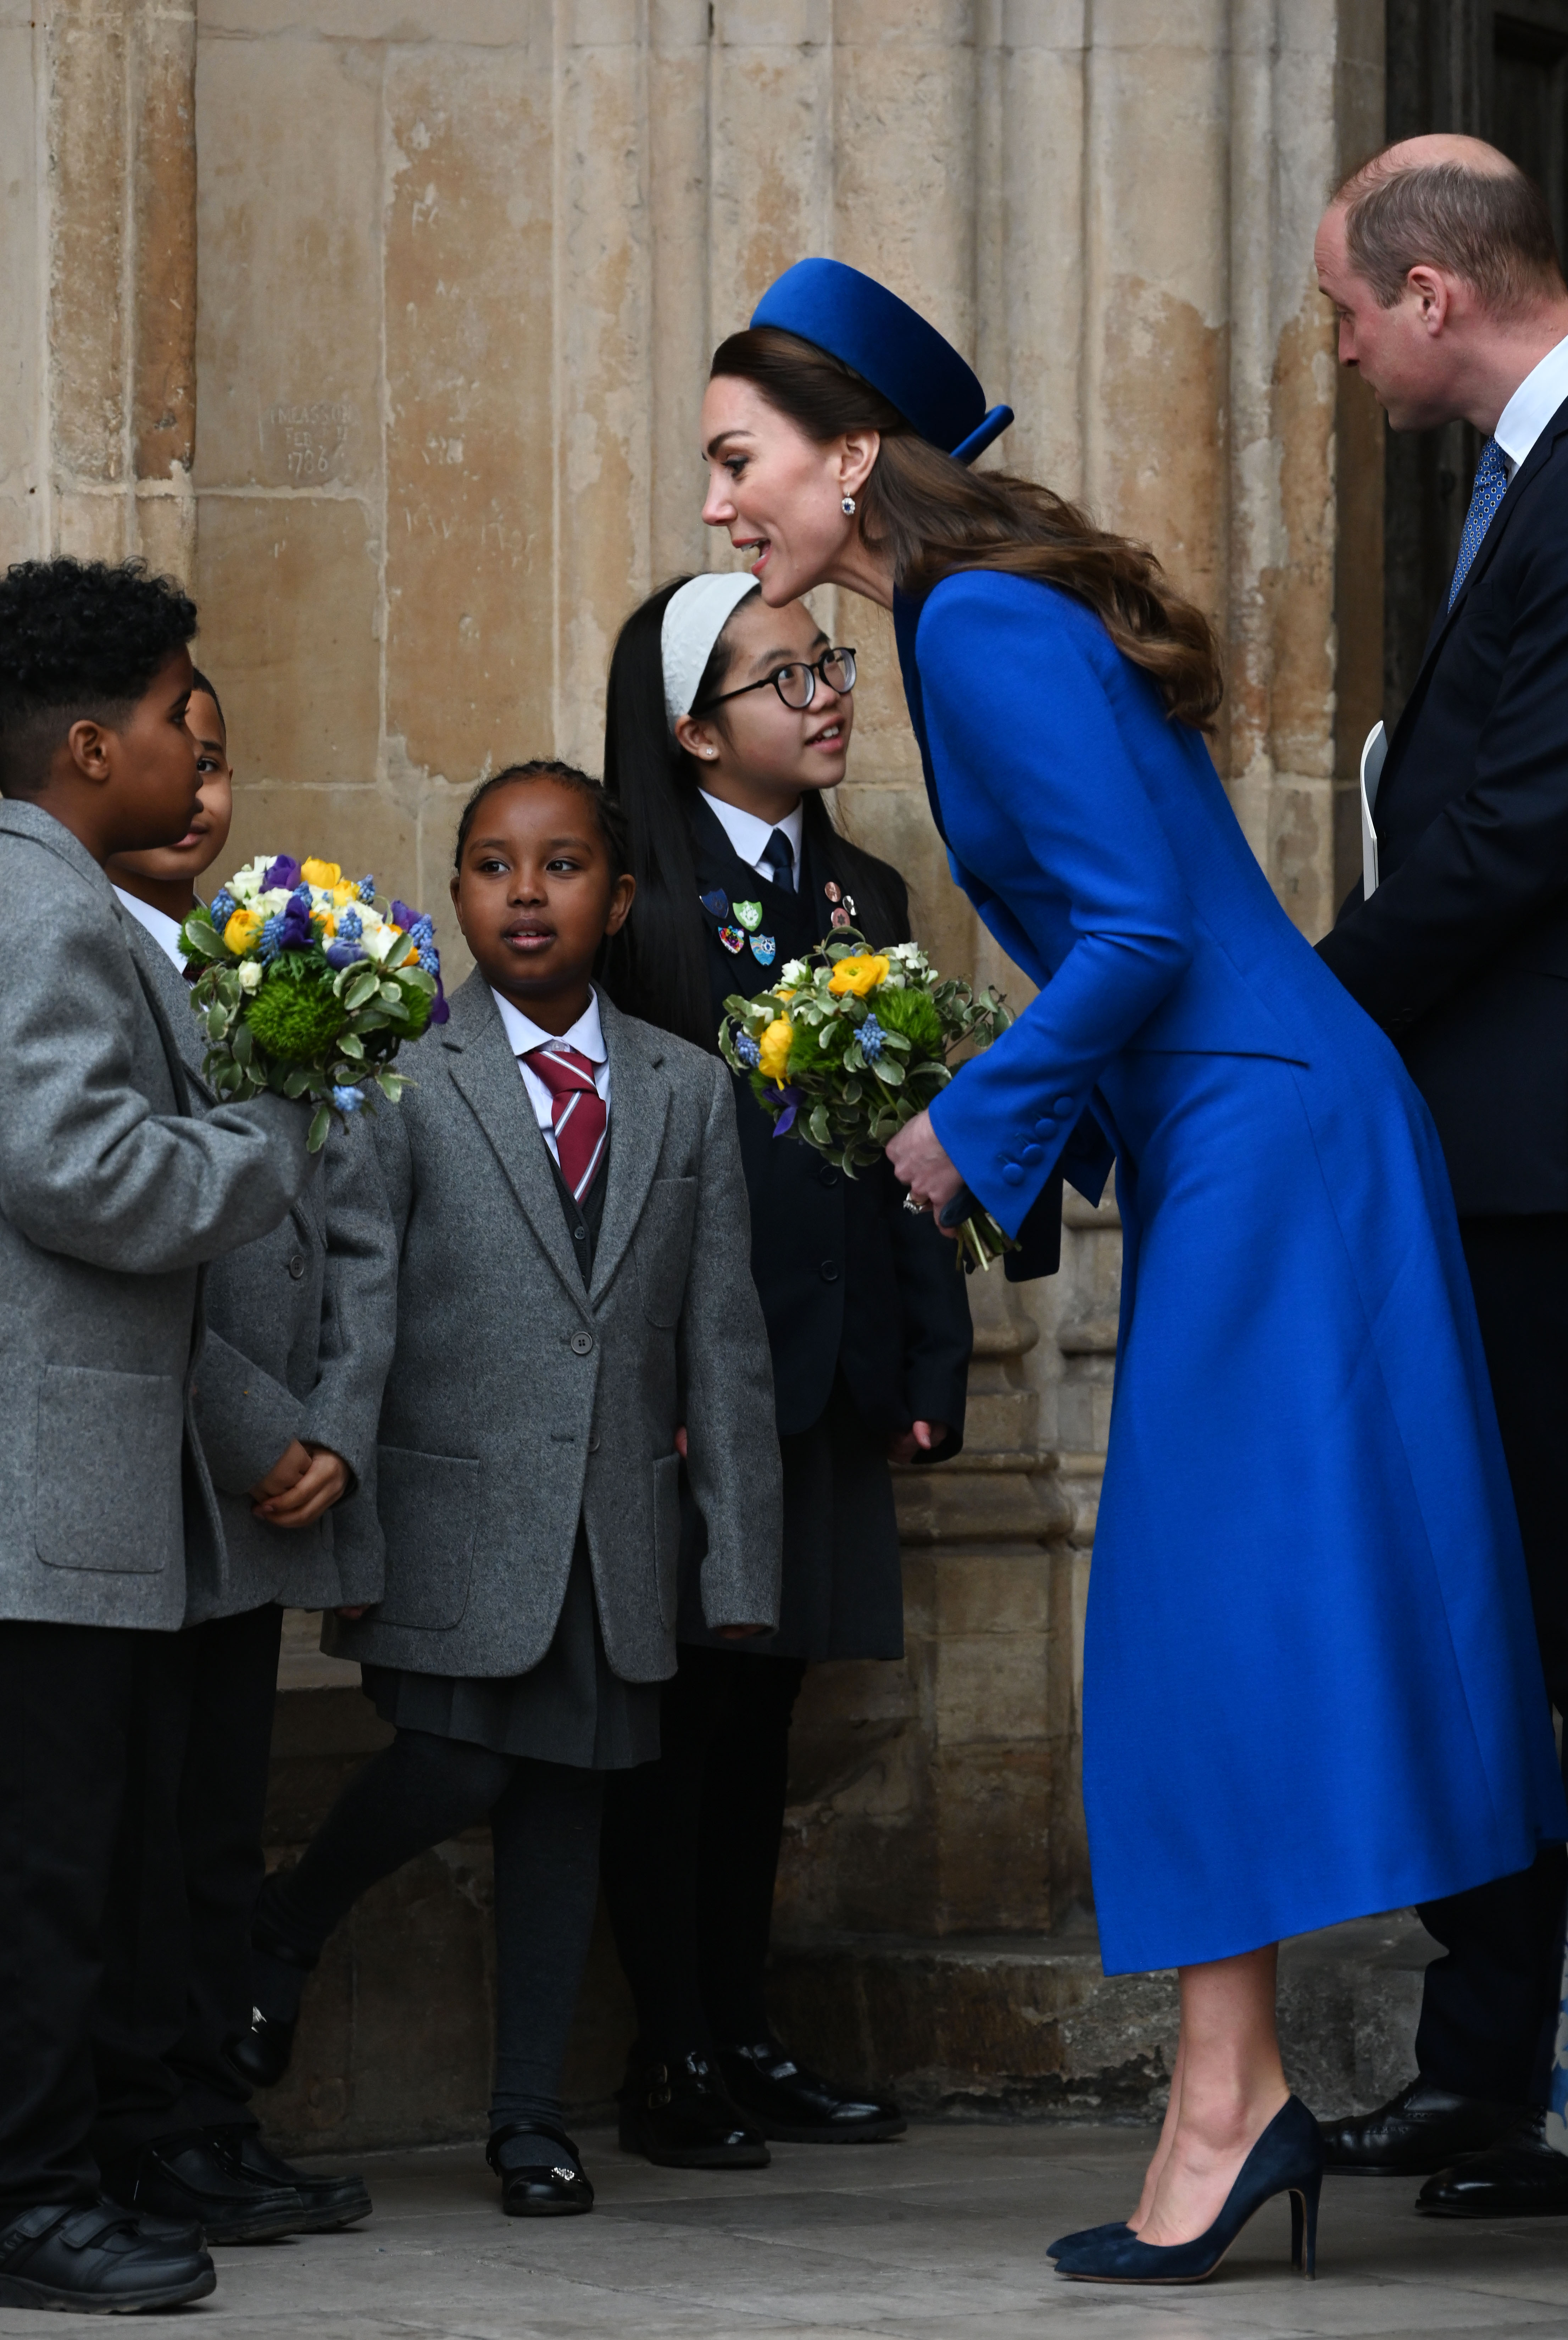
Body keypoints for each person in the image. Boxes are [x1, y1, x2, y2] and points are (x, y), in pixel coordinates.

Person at [693, 256, 1568, 2285]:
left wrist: (970, 1123)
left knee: (1188, 1627)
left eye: (744, 461)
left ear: (851, 454)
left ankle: (1228, 2100)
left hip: (1272, 1140)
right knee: (1207, 1628)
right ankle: (1230, 2087)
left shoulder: (979, 622)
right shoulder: (969, 620)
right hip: (1259, 1130)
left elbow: (1145, 943)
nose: (725, 502)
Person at [0, 558, 319, 2312]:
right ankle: (5, 2203)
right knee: (38, 1871)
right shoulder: (43, 917)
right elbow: (84, 1173)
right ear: (83, 745)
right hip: (32, 1493)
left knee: (30, 1856)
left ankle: (7, 2185)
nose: (190, 742)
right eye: (170, 711)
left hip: (18, 1488)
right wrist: (275, 1132)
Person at [224, 760, 782, 2216]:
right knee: (465, 1763)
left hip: (615, 1530)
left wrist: (738, 1564)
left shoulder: (686, 1090)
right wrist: (341, 1500)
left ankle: (528, 2116)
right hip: (450, 1516)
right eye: (489, 865)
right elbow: (361, 1300)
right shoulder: (402, 1074)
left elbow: (719, 1341)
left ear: (620, 895)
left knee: (565, 1809)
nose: (524, 894)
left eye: (559, 866)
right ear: (457, 891)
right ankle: (286, 1924)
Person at [596, 574, 971, 2162]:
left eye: (827, 663)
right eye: (781, 677)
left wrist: (924, 1362)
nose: (826, 692)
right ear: (690, 731)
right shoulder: (637, 906)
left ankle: (745, 2035)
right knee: (673, 1727)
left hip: (821, 1370)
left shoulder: (868, 898)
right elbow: (615, 1173)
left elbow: (899, 1153)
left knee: (765, 1725)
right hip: (692, 1389)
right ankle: (666, 2056)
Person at [1310, 138, 1568, 2218]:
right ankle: (1492, 2069)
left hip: (1552, 1167)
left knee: (1535, 1618)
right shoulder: (1500, 490)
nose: (1336, 350)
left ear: (1432, 294)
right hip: (1488, 1152)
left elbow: (1506, 845)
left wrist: (1303, 1018)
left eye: (1340, 312)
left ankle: (1524, 2076)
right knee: (1495, 1618)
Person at [92, 673, 390, 2240]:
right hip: (153, 1467)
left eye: (221, 765)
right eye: (177, 762)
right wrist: (254, 1420)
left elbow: (351, 1221)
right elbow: (112, 1244)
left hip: (272, 1479)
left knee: (218, 1823)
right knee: (135, 1826)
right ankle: (143, 2125)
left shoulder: (269, 968)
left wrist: (337, 1418)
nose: (203, 796)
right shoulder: (80, 965)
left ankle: (209, 2116)